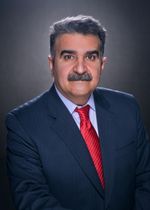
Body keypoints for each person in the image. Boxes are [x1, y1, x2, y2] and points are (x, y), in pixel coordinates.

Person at [6, 15, 150, 210]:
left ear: (102, 64)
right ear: (51, 64)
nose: (81, 68)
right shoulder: (23, 124)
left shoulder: (127, 107)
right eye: (68, 56)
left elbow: (146, 179)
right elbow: (33, 200)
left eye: (91, 57)